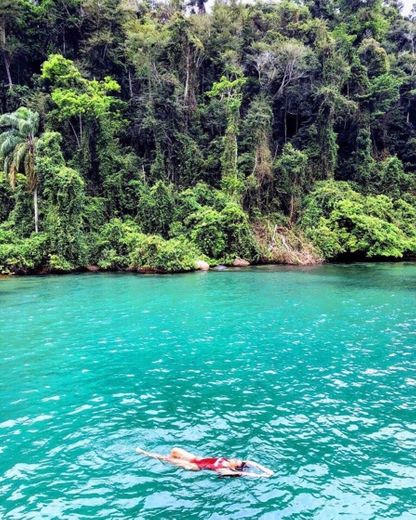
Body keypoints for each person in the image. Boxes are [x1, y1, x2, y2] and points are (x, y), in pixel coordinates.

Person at [136, 447, 273, 478]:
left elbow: (244, 474)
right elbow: (252, 462)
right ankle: (169, 457)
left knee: (168, 459)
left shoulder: (226, 470)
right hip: (196, 458)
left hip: (196, 466)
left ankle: (145, 453)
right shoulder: (233, 462)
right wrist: (265, 469)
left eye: (235, 461)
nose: (234, 459)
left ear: (235, 466)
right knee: (175, 450)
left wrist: (261, 476)